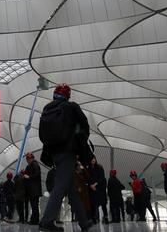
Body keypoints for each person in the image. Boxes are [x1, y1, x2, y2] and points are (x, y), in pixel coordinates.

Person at [38, 83, 92, 232]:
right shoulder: (71, 107)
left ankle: (84, 222)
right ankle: (47, 221)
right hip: (68, 152)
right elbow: (85, 125)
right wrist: (80, 144)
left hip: (53, 153)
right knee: (61, 185)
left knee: (70, 188)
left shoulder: (47, 109)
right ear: (68, 95)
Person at [23, 152, 43, 226]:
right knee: (34, 205)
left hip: (34, 190)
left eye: (28, 159)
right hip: (32, 190)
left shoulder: (34, 164)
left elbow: (37, 174)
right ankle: (33, 219)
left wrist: (29, 177)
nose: (27, 160)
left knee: (34, 205)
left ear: (31, 158)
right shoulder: (30, 165)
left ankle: (35, 220)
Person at [88, 156, 109, 224]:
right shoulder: (88, 169)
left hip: (100, 188)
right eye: (91, 159)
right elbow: (87, 178)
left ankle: (105, 217)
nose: (93, 160)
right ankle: (93, 218)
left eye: (94, 158)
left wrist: (94, 184)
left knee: (103, 204)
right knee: (93, 204)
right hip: (92, 189)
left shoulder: (99, 168)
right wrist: (90, 185)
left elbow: (102, 178)